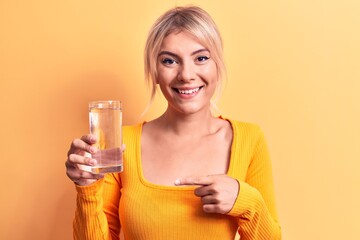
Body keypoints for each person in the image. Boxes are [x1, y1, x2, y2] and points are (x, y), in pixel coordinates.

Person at [65, 5, 281, 240]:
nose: (186, 75)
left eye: (201, 58)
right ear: (155, 71)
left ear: (217, 65)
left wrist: (245, 200)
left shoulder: (249, 139)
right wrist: (87, 188)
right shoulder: (120, 144)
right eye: (169, 61)